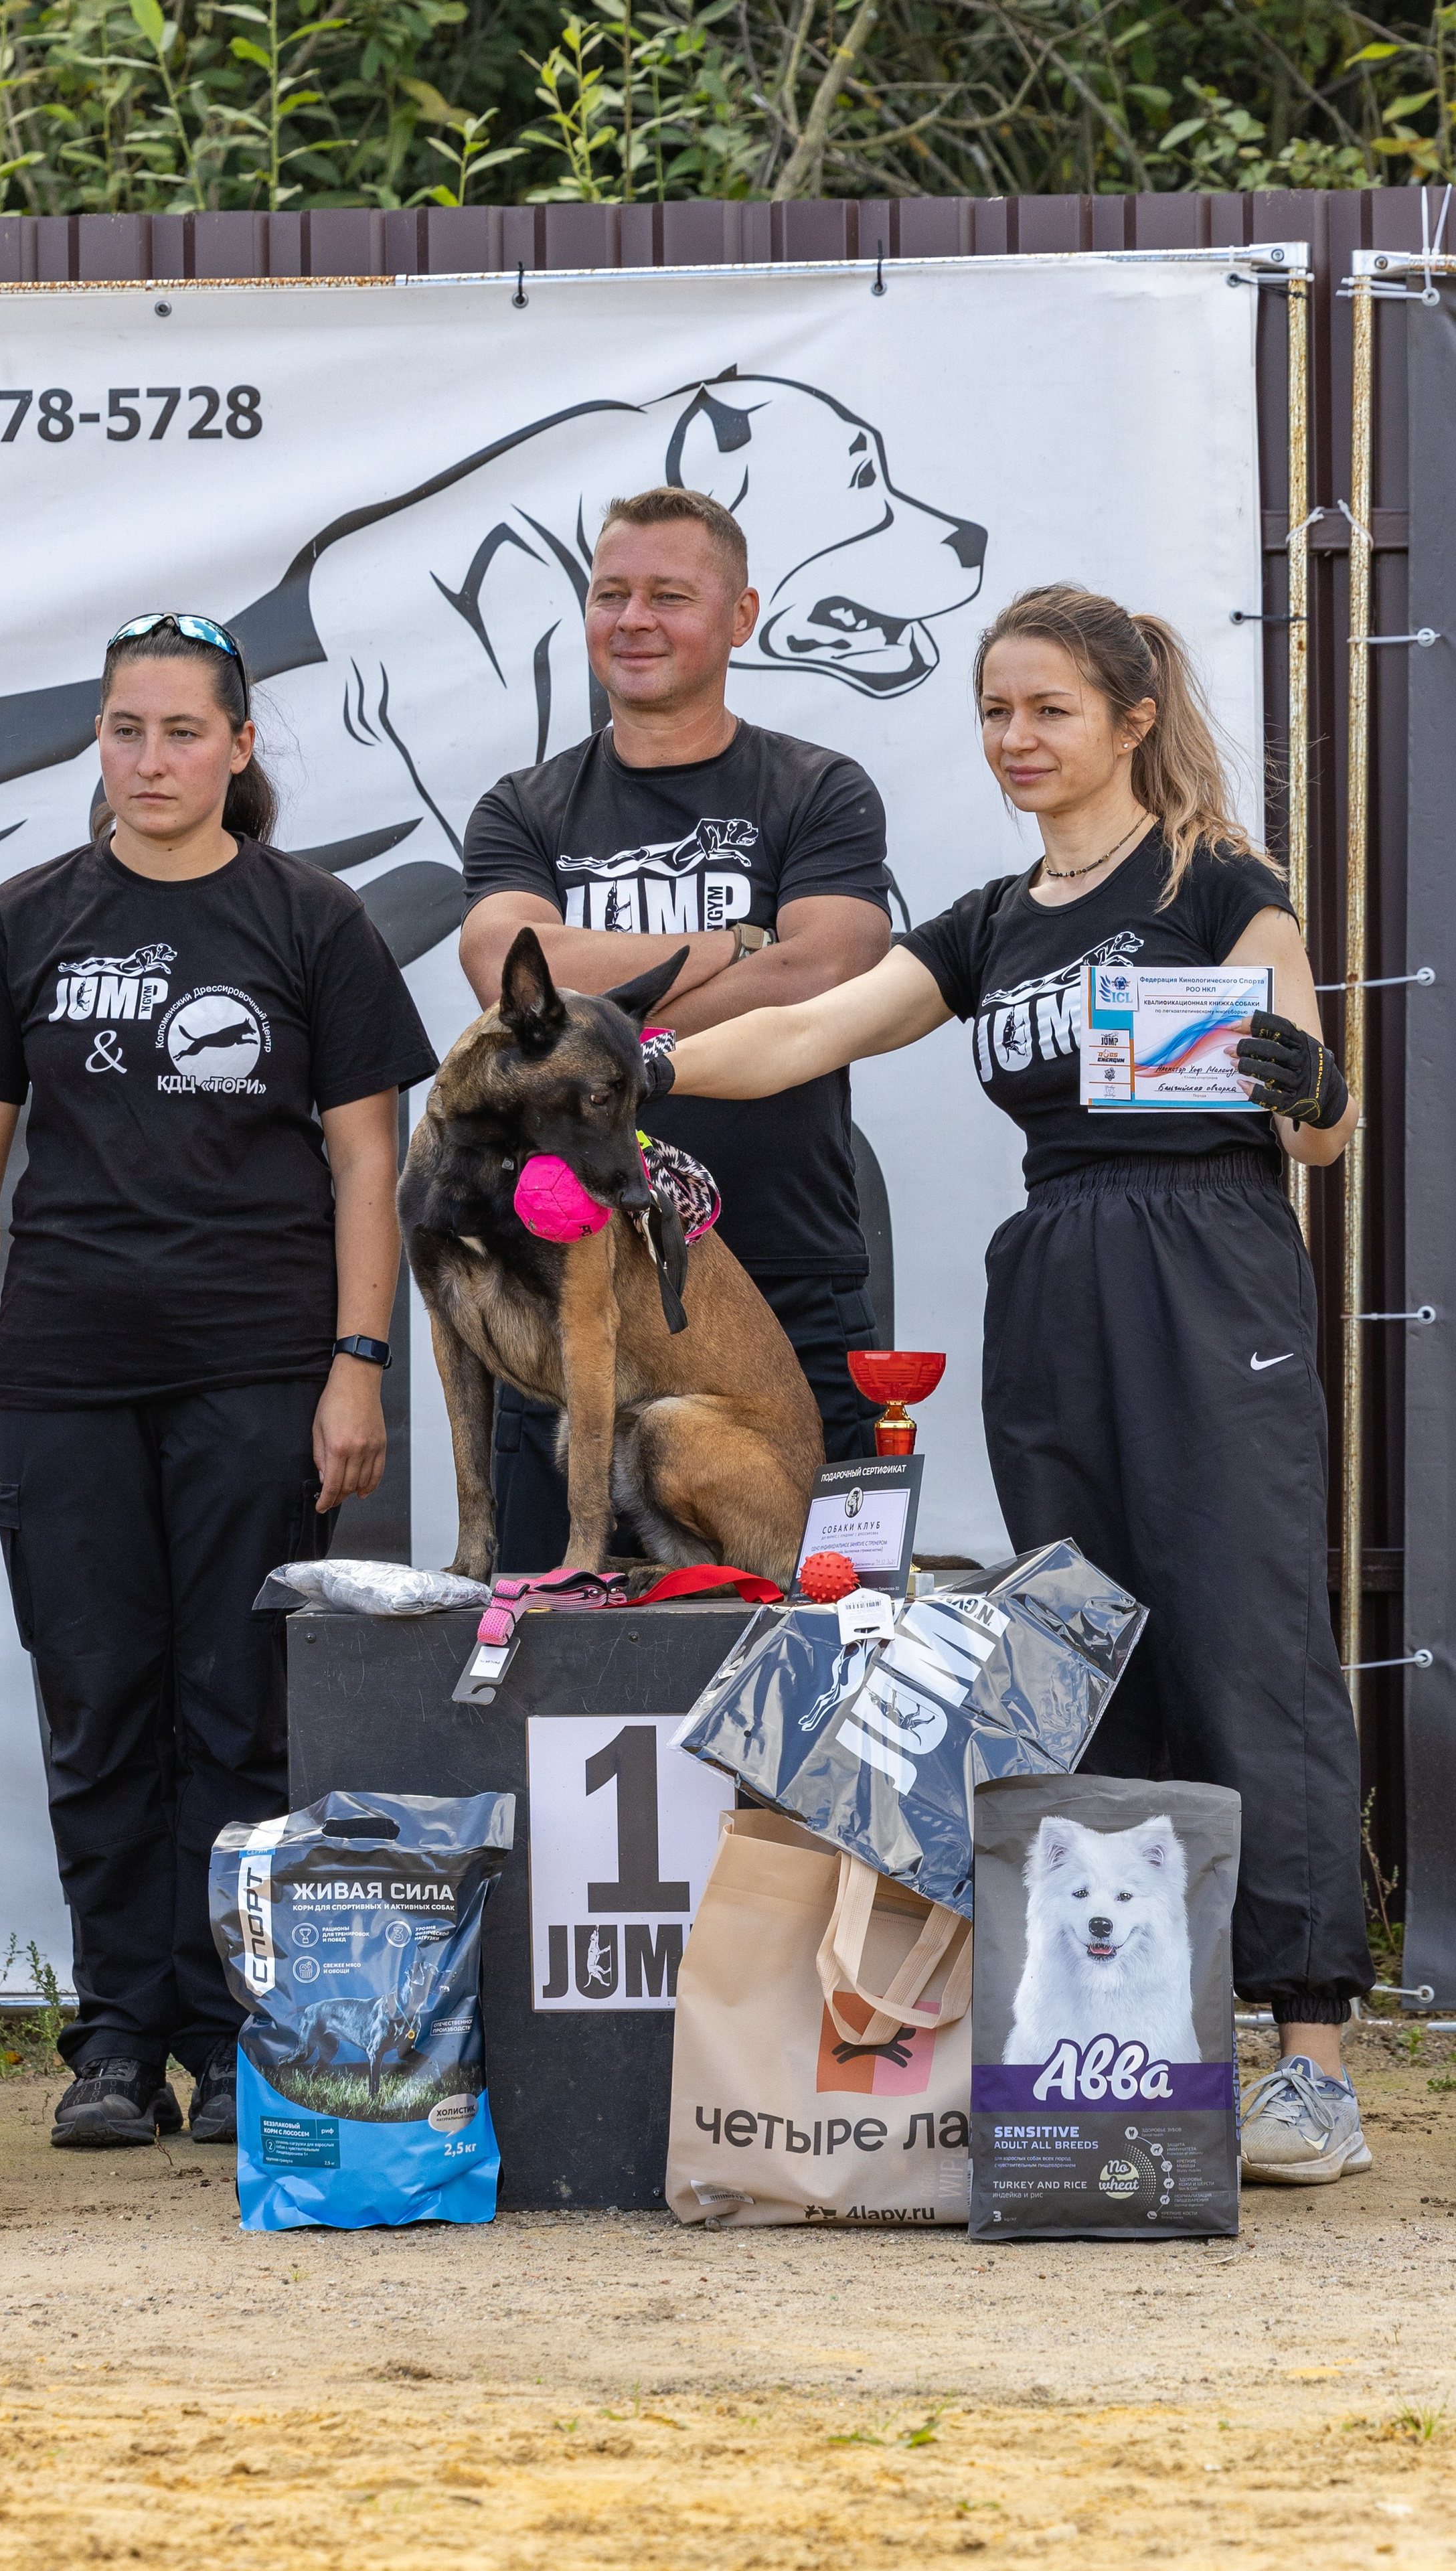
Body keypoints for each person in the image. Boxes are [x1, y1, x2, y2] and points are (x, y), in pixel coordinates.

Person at [656, 584, 1375, 2187]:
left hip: (1207, 1262)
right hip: (1052, 1270)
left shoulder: (1216, 885)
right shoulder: (989, 922)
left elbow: (1316, 1129)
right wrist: (632, 1071)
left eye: (1048, 709)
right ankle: (1137, 2053)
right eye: (993, 710)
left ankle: (1312, 2065)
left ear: (1129, 720)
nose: (1014, 739)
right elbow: (807, 1031)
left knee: (1246, 1639)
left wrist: (1314, 1086)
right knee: (1086, 1651)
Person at [0, 611, 438, 2151]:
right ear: (100, 740)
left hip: (259, 1371)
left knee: (236, 1709)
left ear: (240, 747)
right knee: (98, 1707)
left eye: (183, 732)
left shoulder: (311, 920)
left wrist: (355, 1366)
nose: (152, 760)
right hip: (63, 1378)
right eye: (127, 730)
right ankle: (117, 2044)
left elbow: (367, 1164)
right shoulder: (23, 920)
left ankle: (230, 2041)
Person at [460, 486, 894, 1570]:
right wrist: (743, 948)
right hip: (567, 1285)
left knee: (814, 1625)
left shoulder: (818, 789)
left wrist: (592, 1019)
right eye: (610, 594)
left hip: (784, 1278)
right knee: (553, 1631)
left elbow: (831, 967)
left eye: (669, 595)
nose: (633, 620)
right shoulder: (524, 806)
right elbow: (503, 968)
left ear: (742, 615)